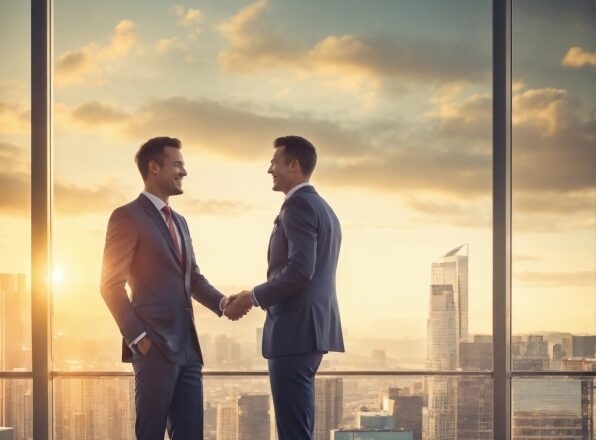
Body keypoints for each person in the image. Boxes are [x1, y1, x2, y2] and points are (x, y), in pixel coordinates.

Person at [100, 136, 231, 440]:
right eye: (178, 164)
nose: (184, 172)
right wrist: (140, 339)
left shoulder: (181, 222)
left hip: (188, 349)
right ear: (154, 167)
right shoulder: (127, 216)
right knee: (151, 434)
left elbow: (193, 278)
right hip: (154, 347)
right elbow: (110, 284)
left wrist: (223, 303)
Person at [225, 135, 345, 440]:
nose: (269, 170)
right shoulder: (324, 208)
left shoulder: (298, 206)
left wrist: (252, 296)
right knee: (299, 424)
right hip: (313, 329)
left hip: (293, 330)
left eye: (274, 162)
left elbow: (300, 270)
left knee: (293, 430)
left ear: (294, 165)